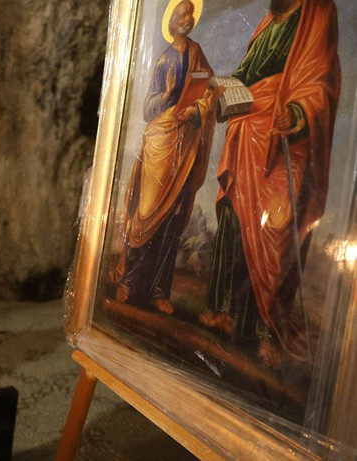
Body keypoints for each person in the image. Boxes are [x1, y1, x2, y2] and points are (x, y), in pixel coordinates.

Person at [201, 0, 340, 368]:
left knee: (273, 232)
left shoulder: (317, 12)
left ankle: (264, 332)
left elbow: (321, 82)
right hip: (246, 133)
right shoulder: (267, 23)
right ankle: (223, 311)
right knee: (233, 217)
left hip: (283, 140)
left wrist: (296, 112)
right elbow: (246, 74)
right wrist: (223, 88)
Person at [113, 0, 221, 314]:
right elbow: (148, 109)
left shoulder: (198, 54)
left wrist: (199, 106)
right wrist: (171, 99)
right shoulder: (163, 60)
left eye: (190, 14)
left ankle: (159, 290)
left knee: (173, 217)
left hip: (185, 146)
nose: (187, 19)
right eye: (181, 15)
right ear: (172, 22)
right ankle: (131, 282)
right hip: (160, 143)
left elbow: (209, 90)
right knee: (145, 215)